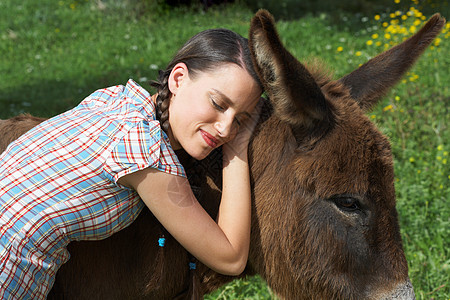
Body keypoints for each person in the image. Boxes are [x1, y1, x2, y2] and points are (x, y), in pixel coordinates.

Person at [0, 28, 263, 299]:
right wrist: (238, 149)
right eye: (218, 103)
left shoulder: (116, 100)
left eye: (240, 121)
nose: (225, 129)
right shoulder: (148, 157)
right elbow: (230, 258)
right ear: (178, 79)